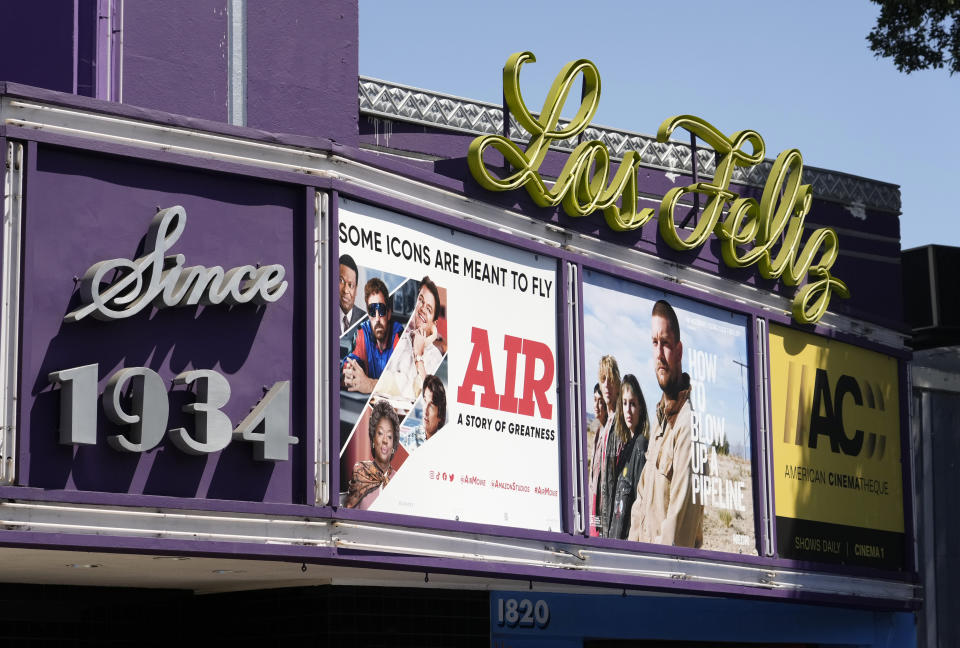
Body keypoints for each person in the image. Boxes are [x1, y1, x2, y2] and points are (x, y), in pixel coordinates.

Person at [628, 300, 703, 548]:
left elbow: (677, 535)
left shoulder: (688, 427)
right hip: (641, 575)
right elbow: (640, 506)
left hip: (662, 580)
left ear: (679, 351)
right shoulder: (661, 422)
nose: (659, 354)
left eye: (666, 344)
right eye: (654, 343)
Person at [375, 277, 444, 400]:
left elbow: (427, 398)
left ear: (434, 323)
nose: (422, 308)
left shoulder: (435, 357)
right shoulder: (398, 338)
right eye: (421, 300)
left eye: (429, 309)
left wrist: (418, 355)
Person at [342, 278, 403, 393]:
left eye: (381, 310)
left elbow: (404, 382)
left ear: (389, 314)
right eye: (372, 310)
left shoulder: (399, 336)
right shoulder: (362, 333)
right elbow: (348, 363)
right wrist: (349, 373)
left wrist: (370, 385)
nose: (377, 319)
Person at [606, 374, 648, 540]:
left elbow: (640, 507)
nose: (628, 410)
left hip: (626, 547)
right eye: (624, 403)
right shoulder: (625, 448)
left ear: (640, 408)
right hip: (615, 540)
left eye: (633, 404)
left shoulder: (640, 447)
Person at [345, 400, 400, 509]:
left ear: (393, 444)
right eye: (380, 433)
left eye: (389, 436)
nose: (385, 440)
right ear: (373, 439)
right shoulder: (361, 471)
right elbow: (349, 513)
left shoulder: (399, 479)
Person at [589, 355, 621, 537]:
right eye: (603, 379)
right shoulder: (605, 425)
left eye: (610, 379)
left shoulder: (621, 423)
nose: (607, 385)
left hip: (611, 519)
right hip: (597, 507)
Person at [409, 374, 447, 449]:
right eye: (425, 401)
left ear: (440, 415)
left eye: (431, 406)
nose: (425, 411)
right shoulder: (412, 437)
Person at [338, 254, 365, 336]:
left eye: (351, 285)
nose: (346, 290)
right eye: (341, 281)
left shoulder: (366, 320)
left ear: (356, 290)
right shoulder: (324, 313)